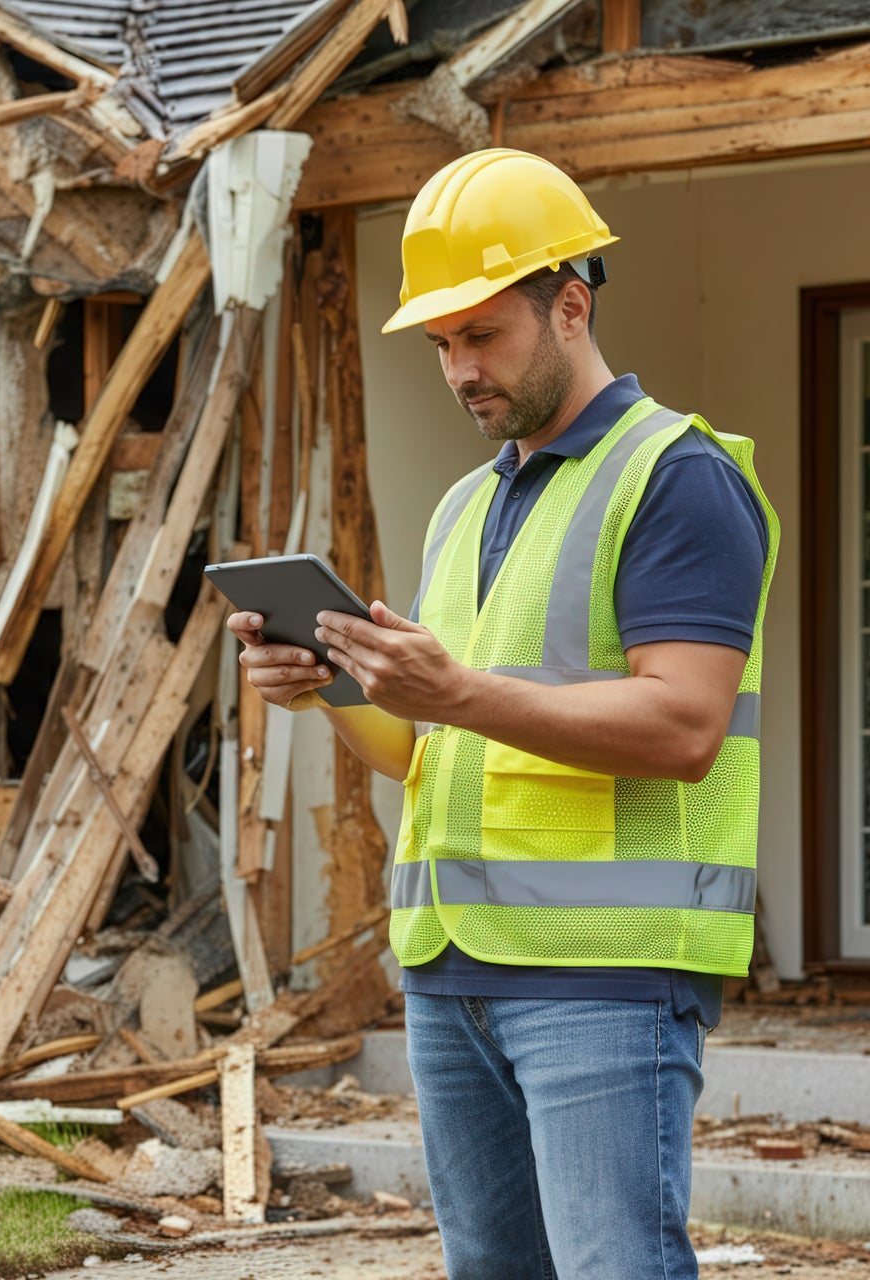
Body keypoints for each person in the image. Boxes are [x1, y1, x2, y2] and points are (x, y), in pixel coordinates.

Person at [228, 148, 778, 1280]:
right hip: (448, 972)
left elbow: (684, 726)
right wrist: (327, 681)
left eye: (480, 333)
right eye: (439, 343)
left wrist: (457, 691)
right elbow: (424, 742)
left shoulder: (674, 477)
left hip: (603, 978)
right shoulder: (466, 504)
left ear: (568, 304)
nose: (456, 368)